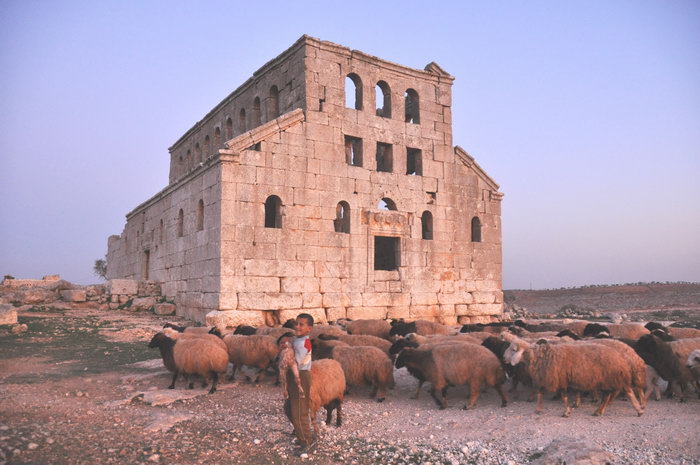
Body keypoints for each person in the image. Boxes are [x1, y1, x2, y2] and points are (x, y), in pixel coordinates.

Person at [282, 313, 315, 455]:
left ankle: (307, 442)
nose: (297, 326)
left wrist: (285, 355)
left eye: (301, 324)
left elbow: (295, 361)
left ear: (309, 329)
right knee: (289, 407)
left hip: (300, 376)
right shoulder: (297, 340)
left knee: (299, 410)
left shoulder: (304, 343)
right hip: (293, 375)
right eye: (297, 323)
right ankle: (301, 432)